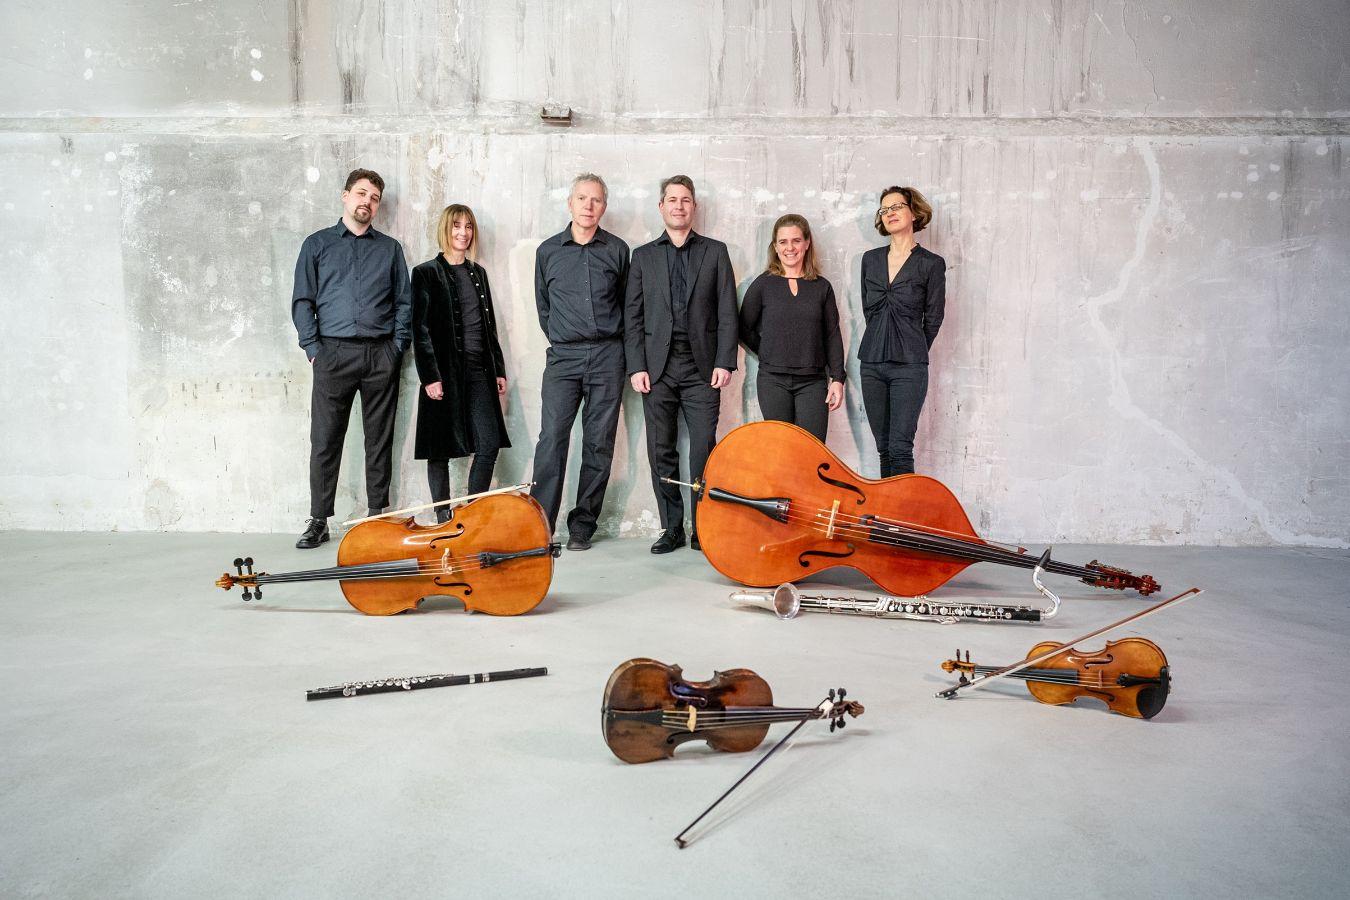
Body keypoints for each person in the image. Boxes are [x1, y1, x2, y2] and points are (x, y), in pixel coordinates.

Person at [291, 168, 412, 549]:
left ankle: (378, 514)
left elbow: (404, 303)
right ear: (345, 196)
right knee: (325, 440)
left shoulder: (390, 249)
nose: (367, 202)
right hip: (332, 354)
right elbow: (302, 301)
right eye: (361, 194)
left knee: (379, 439)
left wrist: (396, 348)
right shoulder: (317, 244)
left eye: (374, 198)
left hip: (380, 355)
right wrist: (313, 349)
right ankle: (318, 520)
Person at [625, 176, 739, 553]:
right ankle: (671, 527)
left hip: (703, 369)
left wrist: (725, 360)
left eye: (685, 200)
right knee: (662, 449)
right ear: (661, 207)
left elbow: (727, 311)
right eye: (672, 200)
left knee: (704, 448)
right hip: (656, 371)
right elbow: (634, 316)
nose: (678, 206)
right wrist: (636, 366)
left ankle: (702, 529)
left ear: (694, 207)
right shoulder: (642, 256)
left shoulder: (715, 252)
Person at [529, 174, 630, 551]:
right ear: (569, 203)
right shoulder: (548, 251)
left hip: (608, 356)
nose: (589, 206)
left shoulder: (618, 250)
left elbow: (626, 305)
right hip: (563, 358)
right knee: (552, 439)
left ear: (604, 207)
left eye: (597, 200)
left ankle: (583, 525)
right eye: (582, 198)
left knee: (599, 443)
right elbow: (544, 309)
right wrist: (565, 335)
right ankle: (539, 525)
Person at [411, 204, 510, 519]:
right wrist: (430, 376)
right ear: (445, 229)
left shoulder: (478, 273)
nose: (463, 232)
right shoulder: (425, 273)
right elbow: (420, 329)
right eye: (456, 225)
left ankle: (471, 516)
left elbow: (488, 326)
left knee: (488, 443)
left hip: (479, 371)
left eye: (468, 226)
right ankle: (443, 519)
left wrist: (498, 369)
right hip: (444, 373)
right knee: (439, 451)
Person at [858, 186, 945, 476]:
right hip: (871, 362)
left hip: (909, 366)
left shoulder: (931, 263)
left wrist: (912, 346)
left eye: (896, 206)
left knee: (899, 447)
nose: (890, 213)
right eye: (884, 210)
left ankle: (902, 521)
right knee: (883, 448)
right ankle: (886, 520)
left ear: (913, 211)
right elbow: (869, 310)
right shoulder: (870, 259)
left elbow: (933, 318)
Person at [738, 214, 844, 443]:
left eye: (796, 240)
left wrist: (838, 379)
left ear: (807, 243)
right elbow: (743, 328)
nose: (790, 248)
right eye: (783, 242)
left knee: (812, 452)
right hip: (772, 381)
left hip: (813, 382)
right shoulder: (763, 284)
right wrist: (768, 350)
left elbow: (832, 335)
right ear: (775, 247)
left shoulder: (822, 287)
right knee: (779, 452)